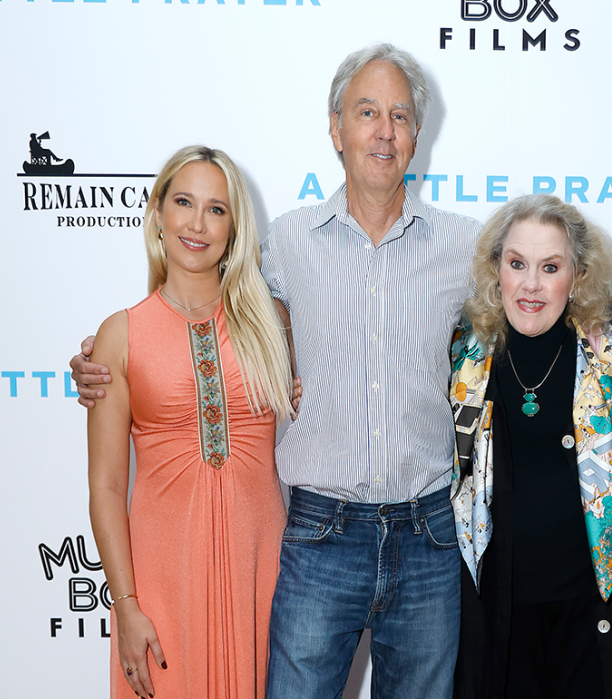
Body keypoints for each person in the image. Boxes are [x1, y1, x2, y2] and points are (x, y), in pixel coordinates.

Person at [74, 44, 478, 699]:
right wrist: (94, 363)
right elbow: (183, 319)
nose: (383, 130)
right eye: (366, 112)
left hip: (426, 533)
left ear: (417, 134)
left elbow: (532, 300)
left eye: (399, 116)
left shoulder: (465, 246)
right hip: (318, 535)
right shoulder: (287, 243)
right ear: (334, 127)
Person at [86, 145, 294, 699]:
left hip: (262, 574)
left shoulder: (273, 324)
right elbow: (106, 487)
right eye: (183, 202)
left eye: (216, 209)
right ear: (158, 213)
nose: (197, 224)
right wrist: (125, 605)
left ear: (234, 227)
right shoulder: (119, 334)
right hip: (162, 583)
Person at [449, 195, 612, 699]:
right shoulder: (465, 358)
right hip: (499, 613)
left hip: (588, 613)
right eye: (517, 264)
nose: (531, 285)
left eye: (550, 267)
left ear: (577, 276)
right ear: (497, 270)